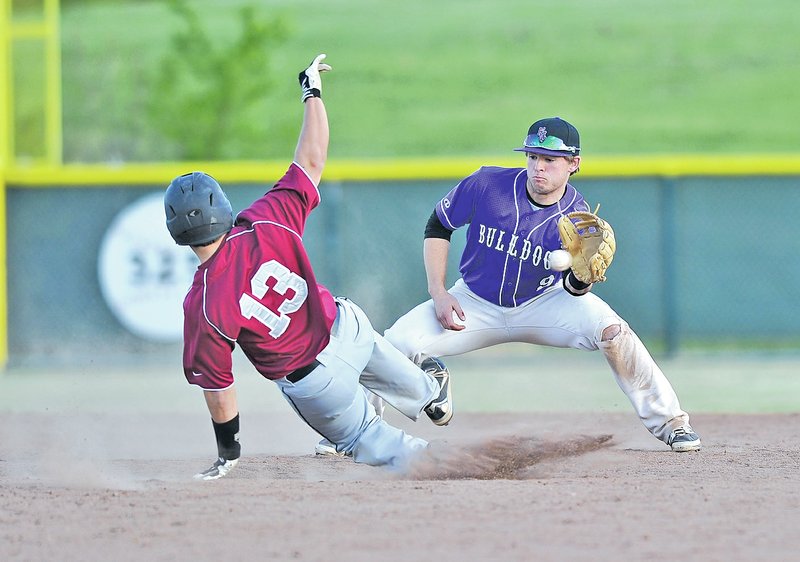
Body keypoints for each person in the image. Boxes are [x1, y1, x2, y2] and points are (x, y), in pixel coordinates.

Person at [163, 54, 452, 480]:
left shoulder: (203, 303)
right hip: (347, 328)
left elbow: (219, 388)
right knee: (383, 357)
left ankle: (444, 460)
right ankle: (428, 391)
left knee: (367, 440)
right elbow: (311, 160)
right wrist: (311, 90)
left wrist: (229, 452)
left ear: (176, 231)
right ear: (222, 209)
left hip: (315, 382)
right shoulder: (265, 219)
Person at [383, 116, 701, 452]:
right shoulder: (487, 184)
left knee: (612, 331)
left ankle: (671, 424)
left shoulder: (577, 218)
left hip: (543, 302)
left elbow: (573, 291)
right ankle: (356, 428)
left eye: (549, 160)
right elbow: (438, 225)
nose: (538, 167)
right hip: (473, 302)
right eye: (533, 156)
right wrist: (439, 291)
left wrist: (581, 276)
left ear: (573, 164)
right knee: (394, 343)